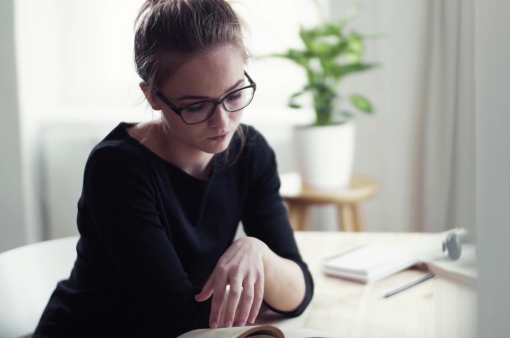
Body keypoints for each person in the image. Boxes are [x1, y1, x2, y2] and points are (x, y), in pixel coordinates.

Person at [33, 0, 313, 337]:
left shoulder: (251, 152)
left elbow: (298, 293)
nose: (223, 121)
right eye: (196, 106)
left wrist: (257, 252)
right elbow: (179, 316)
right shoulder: (117, 169)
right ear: (152, 96)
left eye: (235, 94)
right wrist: (264, 290)